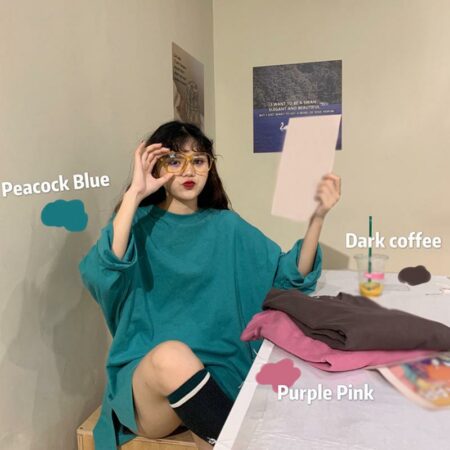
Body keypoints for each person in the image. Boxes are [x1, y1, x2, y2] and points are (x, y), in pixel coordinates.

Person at [78, 120, 341, 450]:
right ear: (156, 166)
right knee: (172, 357)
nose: (189, 170)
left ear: (209, 167)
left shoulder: (227, 227)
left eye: (198, 160)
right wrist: (134, 194)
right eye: (175, 160)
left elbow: (288, 277)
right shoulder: (137, 225)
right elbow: (102, 273)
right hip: (152, 392)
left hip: (220, 377)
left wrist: (318, 216)